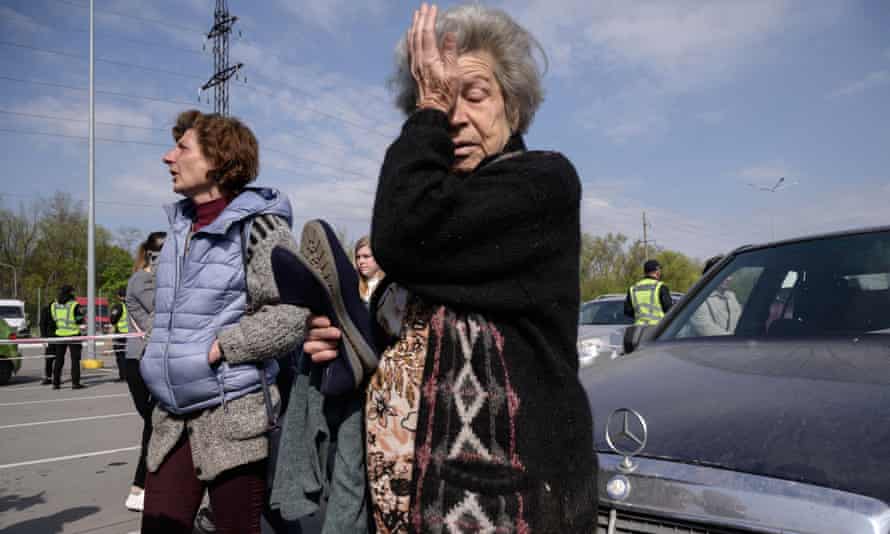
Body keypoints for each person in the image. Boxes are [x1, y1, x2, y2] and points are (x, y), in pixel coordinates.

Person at [303, 4, 597, 531]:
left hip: (509, 509)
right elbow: (403, 328)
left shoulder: (542, 183)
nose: (454, 118)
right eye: (441, 100)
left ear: (514, 105)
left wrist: (430, 104)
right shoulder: (442, 213)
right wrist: (345, 340)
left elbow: (402, 237)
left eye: (475, 95)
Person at [139, 109, 308, 533]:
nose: (168, 157)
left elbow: (292, 312)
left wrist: (225, 347)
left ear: (215, 160)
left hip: (232, 419)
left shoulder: (260, 227)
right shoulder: (179, 228)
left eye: (182, 148)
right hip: (171, 418)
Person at [123, 231, 166, 513]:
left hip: (152, 358)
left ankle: (146, 485)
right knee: (155, 422)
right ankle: (139, 487)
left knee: (158, 423)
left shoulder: (155, 278)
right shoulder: (144, 279)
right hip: (140, 360)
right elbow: (160, 310)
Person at [686, 255, 741, 337]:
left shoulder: (731, 297)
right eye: (725, 274)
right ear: (712, 275)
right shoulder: (697, 299)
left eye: (730, 274)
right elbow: (707, 330)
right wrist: (737, 339)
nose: (730, 278)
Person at [51, 284, 84, 390]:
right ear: (70, 293)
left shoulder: (54, 305)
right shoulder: (74, 305)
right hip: (73, 334)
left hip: (60, 334)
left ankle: (56, 383)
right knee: (75, 360)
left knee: (59, 359)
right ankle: (75, 383)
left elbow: (54, 318)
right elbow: (79, 320)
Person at [624, 259, 673, 325]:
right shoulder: (660, 286)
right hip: (658, 328)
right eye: (659, 270)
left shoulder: (633, 289)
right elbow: (669, 310)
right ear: (657, 271)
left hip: (639, 330)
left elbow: (627, 311)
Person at [354, 236, 384, 304]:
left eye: (366, 256)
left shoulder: (389, 288)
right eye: (358, 257)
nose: (361, 261)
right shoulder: (353, 286)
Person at [109, 287, 128, 381]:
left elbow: (112, 320)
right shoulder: (134, 305)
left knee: (121, 356)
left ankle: (123, 376)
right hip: (133, 334)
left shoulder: (119, 306)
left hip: (121, 334)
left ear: (119, 296)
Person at [38, 299, 56, 385]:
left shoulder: (59, 309)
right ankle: (49, 377)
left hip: (58, 336)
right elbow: (42, 324)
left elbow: (41, 324)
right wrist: (44, 337)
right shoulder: (46, 310)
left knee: (56, 358)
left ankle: (53, 377)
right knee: (50, 358)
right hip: (50, 337)